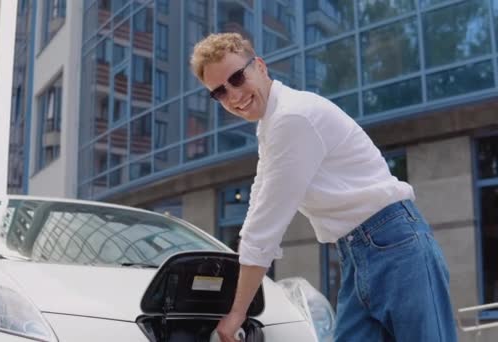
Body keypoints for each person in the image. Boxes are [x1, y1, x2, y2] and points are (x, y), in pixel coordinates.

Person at [189, 32, 458, 342]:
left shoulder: (292, 118)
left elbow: (266, 225)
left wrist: (237, 313)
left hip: (395, 244)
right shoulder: (273, 123)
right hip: (358, 251)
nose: (233, 95)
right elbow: (258, 200)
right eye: (219, 92)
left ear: (260, 67)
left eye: (237, 77)